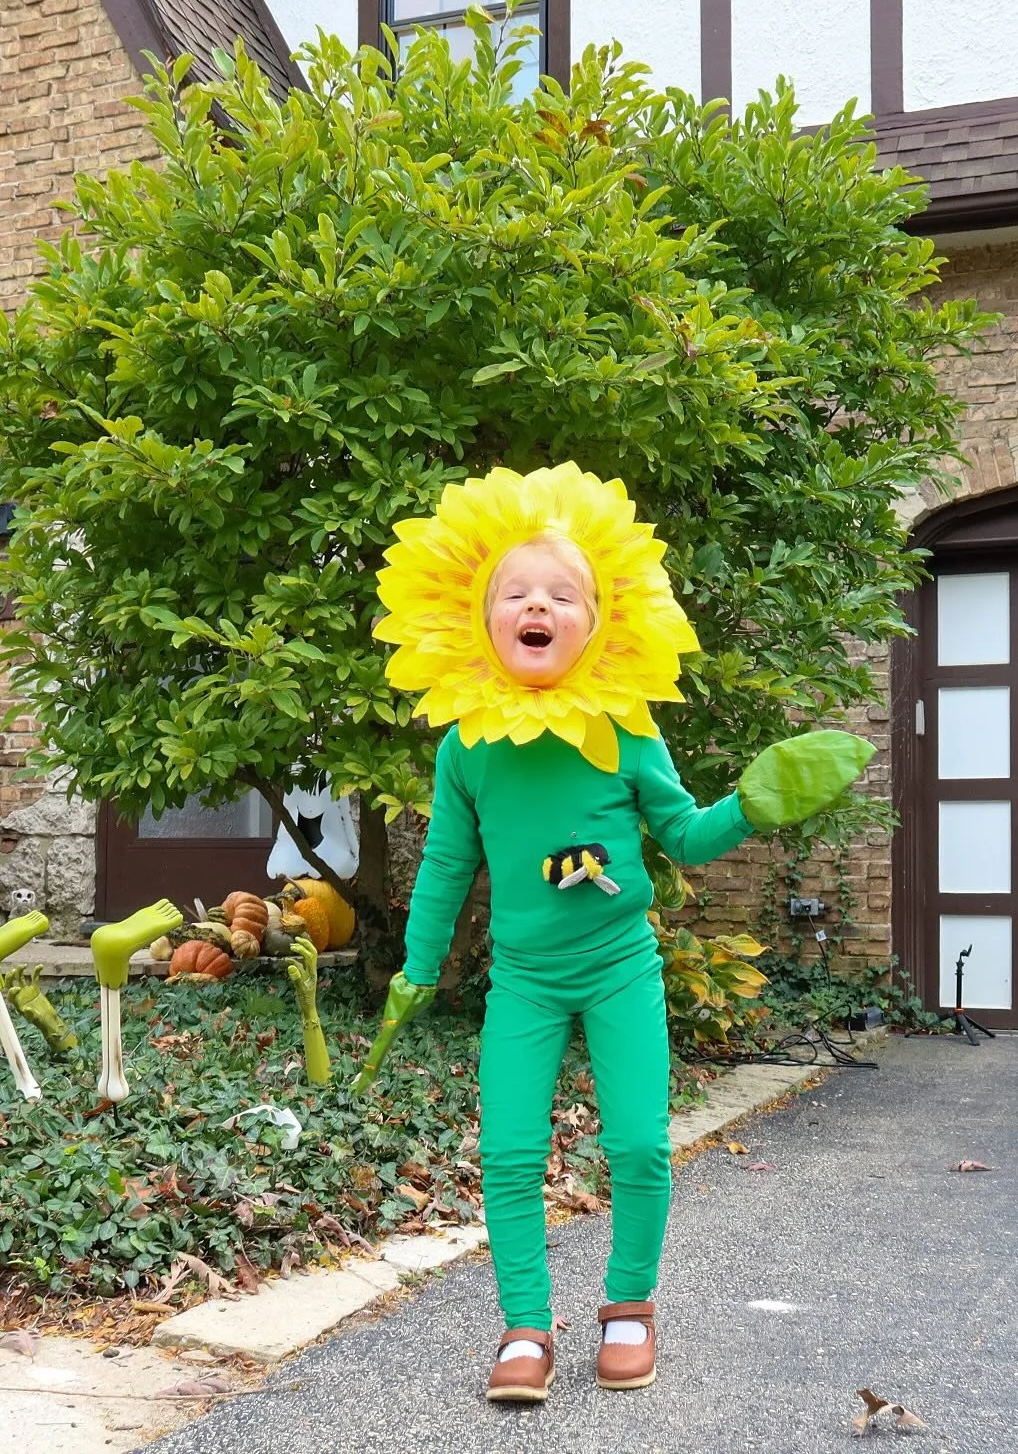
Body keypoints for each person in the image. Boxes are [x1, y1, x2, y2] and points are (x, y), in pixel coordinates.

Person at [354, 462, 872, 1403]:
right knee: (509, 1152)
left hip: (620, 967)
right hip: (524, 980)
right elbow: (445, 866)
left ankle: (629, 1307)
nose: (536, 604)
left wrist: (751, 805)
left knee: (638, 1145)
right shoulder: (466, 744)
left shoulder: (627, 729)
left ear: (596, 624)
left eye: (560, 594)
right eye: (515, 593)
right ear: (482, 619)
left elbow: (682, 834)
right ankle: (524, 1328)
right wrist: (417, 968)